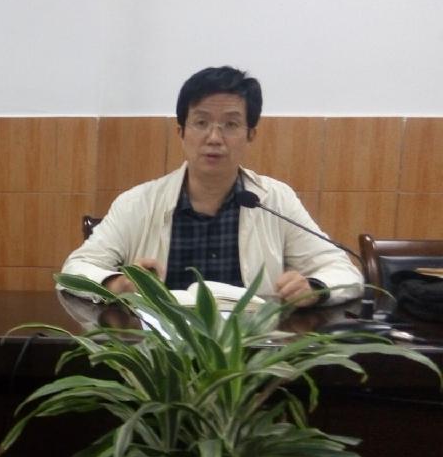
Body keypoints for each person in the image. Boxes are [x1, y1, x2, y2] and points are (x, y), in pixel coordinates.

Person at [62, 66, 362, 306]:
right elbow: (76, 269)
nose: (214, 138)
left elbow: (344, 272)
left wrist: (314, 288)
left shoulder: (273, 200)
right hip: (160, 352)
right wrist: (117, 284)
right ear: (181, 132)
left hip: (251, 349)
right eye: (201, 123)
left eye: (230, 124)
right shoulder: (138, 202)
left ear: (251, 134)